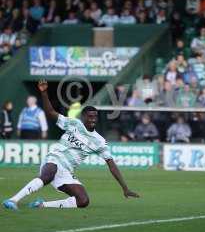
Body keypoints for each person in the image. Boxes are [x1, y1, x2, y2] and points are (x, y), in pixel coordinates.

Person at [2, 80, 139, 210]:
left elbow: (111, 164)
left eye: (95, 117)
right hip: (54, 158)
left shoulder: (99, 141)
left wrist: (125, 188)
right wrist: (44, 93)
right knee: (48, 174)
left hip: (67, 170)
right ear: (84, 117)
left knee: (83, 201)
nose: (93, 120)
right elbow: (50, 112)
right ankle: (13, 200)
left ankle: (42, 205)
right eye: (90, 116)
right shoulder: (74, 123)